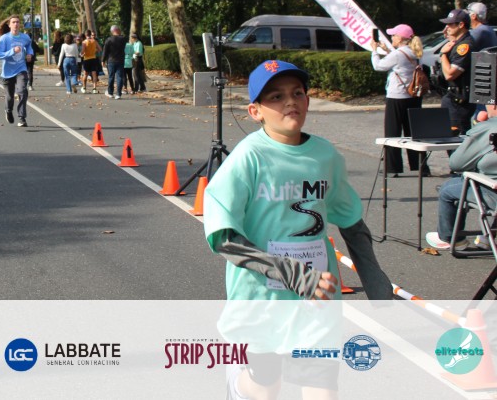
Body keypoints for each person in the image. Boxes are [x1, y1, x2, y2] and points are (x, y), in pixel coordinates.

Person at [204, 60, 393, 400]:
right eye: (276, 97)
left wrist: (374, 278)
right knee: (266, 388)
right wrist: (292, 274)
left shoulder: (325, 155)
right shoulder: (248, 158)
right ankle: (238, 384)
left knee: (323, 389)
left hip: (317, 298)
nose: (289, 101)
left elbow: (350, 219)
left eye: (297, 93)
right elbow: (224, 237)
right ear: (255, 111)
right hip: (261, 299)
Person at [425, 102, 497, 250]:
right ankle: (488, 237)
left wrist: (477, 130)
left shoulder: (489, 128)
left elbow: (457, 164)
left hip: (493, 194)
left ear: (494, 105)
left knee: (448, 189)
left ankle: (451, 238)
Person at [371, 24, 425, 175]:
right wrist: (388, 50)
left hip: (397, 96)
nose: (392, 38)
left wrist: (374, 50)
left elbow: (378, 66)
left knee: (392, 132)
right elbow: (400, 61)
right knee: (413, 132)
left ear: (401, 38)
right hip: (413, 96)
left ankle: (393, 167)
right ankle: (420, 166)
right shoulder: (416, 52)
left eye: (394, 35)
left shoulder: (398, 54)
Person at [438, 9, 477, 135]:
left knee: (455, 137)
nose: (447, 27)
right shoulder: (456, 43)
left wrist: (443, 54)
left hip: (459, 101)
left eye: (450, 24)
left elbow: (450, 74)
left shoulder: (464, 46)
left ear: (461, 25)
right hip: (452, 97)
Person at [0, 15, 33, 127]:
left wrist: (29, 53)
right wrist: (13, 51)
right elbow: (0, 55)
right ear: (9, 25)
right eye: (13, 22)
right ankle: (8, 111)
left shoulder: (25, 37)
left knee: (22, 91)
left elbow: (29, 46)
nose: (16, 24)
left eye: (17, 22)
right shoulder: (4, 38)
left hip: (21, 68)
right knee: (10, 96)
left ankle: (22, 118)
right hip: (7, 71)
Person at [101, 25, 127, 99]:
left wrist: (103, 60)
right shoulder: (123, 39)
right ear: (117, 30)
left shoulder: (109, 39)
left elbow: (105, 50)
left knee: (111, 77)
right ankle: (118, 94)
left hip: (111, 60)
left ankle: (110, 92)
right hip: (120, 60)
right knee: (119, 77)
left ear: (112, 31)